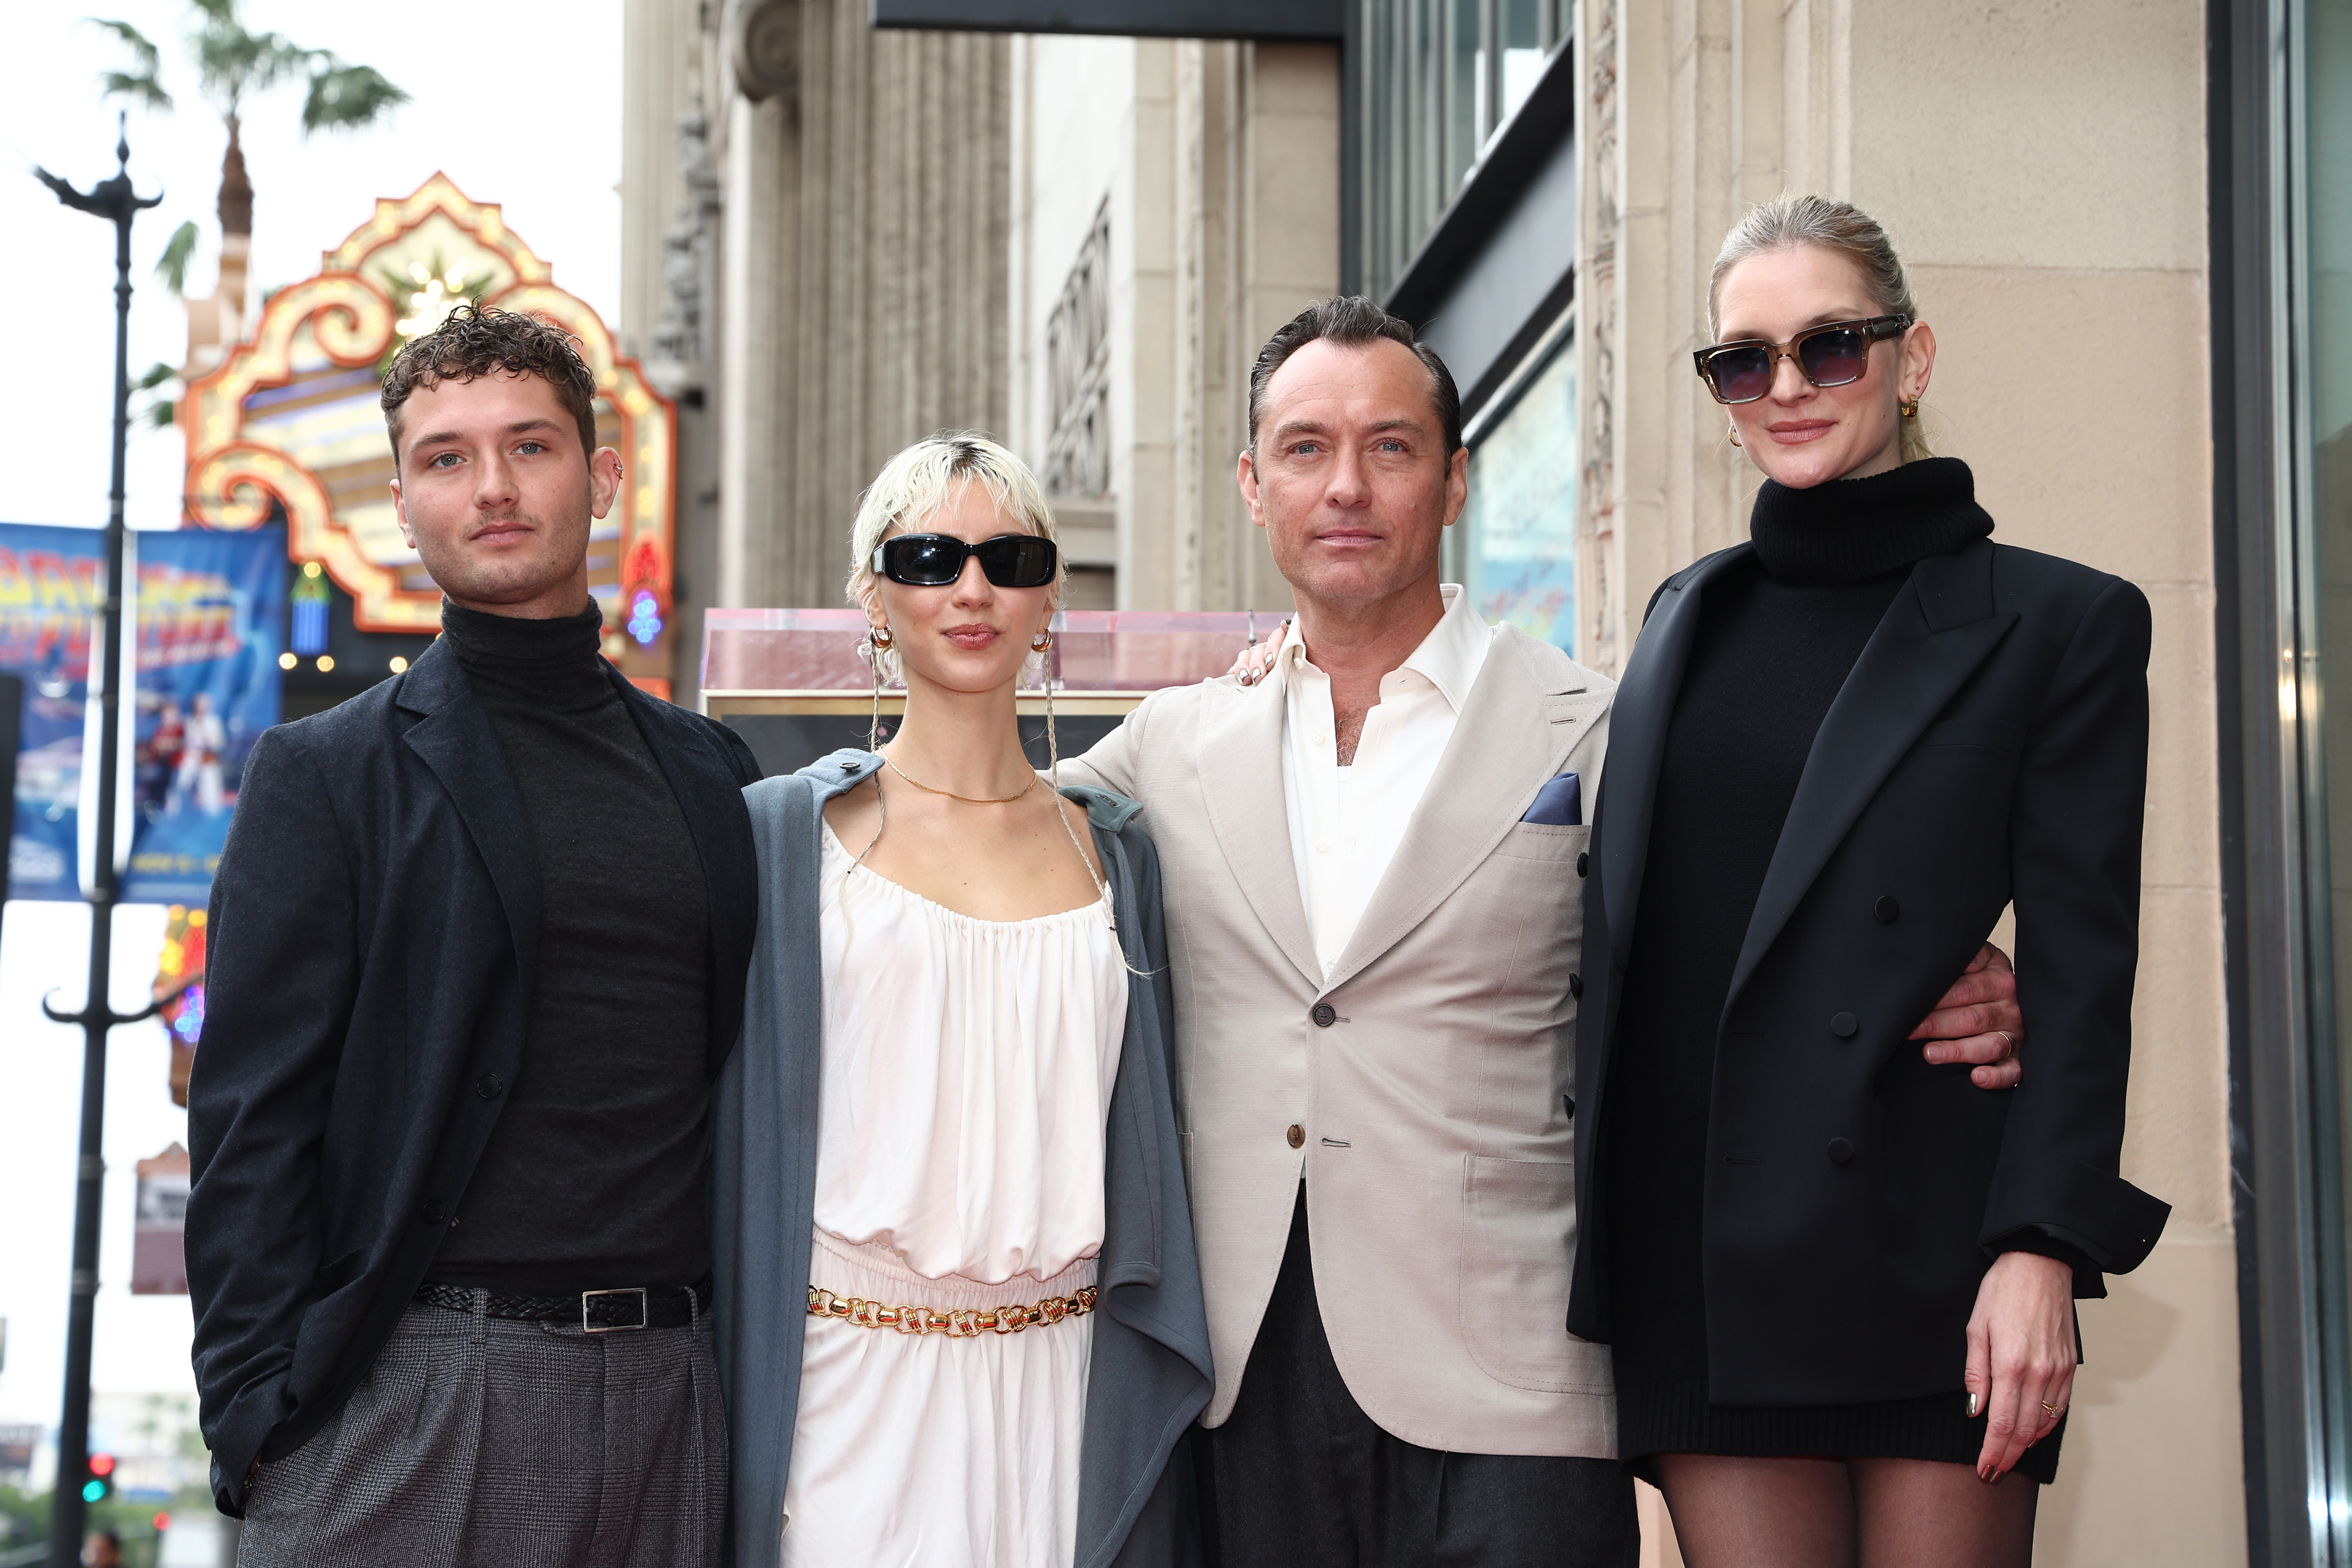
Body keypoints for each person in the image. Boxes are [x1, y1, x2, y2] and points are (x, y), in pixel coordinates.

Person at [1064, 296, 2027, 1566]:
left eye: (1392, 446)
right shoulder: (1165, 748)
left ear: (1457, 478)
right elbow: (973, 850)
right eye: (1305, 448)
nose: (1346, 485)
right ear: (1253, 483)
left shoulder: (1607, 722)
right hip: (1245, 1386)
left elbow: (1770, 943)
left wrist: (1962, 982)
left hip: (1514, 1383)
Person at [1567, 195, 2171, 1567]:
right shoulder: (1682, 616)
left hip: (1929, 1244)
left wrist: (2041, 1249)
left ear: (1914, 356)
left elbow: (2087, 969)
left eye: (1830, 347)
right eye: (1744, 360)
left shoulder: (2061, 620)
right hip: (1698, 1243)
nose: (1786, 388)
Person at [186, 306, 762, 1566]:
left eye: (530, 446)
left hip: (677, 1388)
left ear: (602, 478)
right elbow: (249, 1122)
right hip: (415, 1390)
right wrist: (257, 1416)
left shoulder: (712, 773)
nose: (492, 487)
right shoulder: (325, 774)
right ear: (401, 501)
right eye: (446, 457)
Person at [710, 435, 1207, 1567]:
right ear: (874, 599)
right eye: (930, 556)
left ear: (1050, 604)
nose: (971, 588)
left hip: (1066, 1384)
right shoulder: (787, 840)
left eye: (1011, 556)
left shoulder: (1118, 856)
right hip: (843, 1394)